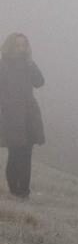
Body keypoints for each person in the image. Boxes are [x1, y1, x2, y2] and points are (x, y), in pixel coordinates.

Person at [0, 33, 44, 200]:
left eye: (24, 45)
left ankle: (24, 191)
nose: (21, 49)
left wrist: (31, 64)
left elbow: (40, 82)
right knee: (15, 153)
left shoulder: (28, 64)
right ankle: (14, 190)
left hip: (29, 115)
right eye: (18, 45)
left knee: (27, 153)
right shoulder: (3, 65)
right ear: (11, 46)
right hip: (12, 116)